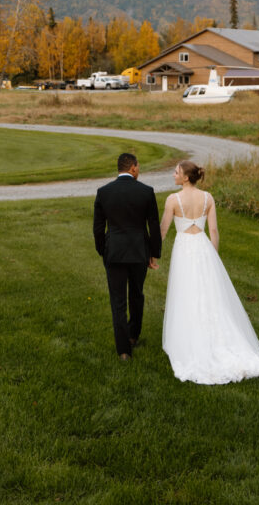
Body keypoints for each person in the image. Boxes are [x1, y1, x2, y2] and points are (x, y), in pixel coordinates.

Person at [160, 160, 259, 385]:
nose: (173, 175)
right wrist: (213, 257)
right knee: (208, 294)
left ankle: (189, 341)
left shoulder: (173, 200)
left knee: (186, 292)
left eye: (176, 172)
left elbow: (163, 229)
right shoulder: (208, 198)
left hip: (184, 249)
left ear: (185, 177)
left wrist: (153, 254)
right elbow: (213, 230)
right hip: (203, 248)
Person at [93, 151, 162, 360]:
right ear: (133, 167)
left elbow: (98, 227)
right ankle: (133, 335)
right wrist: (153, 253)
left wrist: (102, 250)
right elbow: (153, 226)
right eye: (138, 167)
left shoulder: (104, 192)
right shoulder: (146, 191)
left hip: (114, 252)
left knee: (118, 301)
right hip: (139, 251)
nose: (138, 170)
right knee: (136, 295)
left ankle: (123, 350)